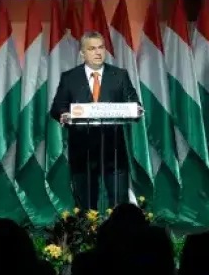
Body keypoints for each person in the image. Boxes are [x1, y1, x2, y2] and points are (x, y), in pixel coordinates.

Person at [50, 31, 142, 210]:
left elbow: (134, 102)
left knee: (119, 204)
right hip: (82, 151)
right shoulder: (69, 77)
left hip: (114, 151)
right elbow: (57, 108)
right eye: (92, 49)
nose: (98, 52)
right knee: (85, 207)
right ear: (82, 53)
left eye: (101, 47)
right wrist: (64, 115)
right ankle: (88, 229)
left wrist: (136, 110)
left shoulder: (119, 75)